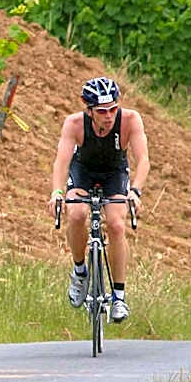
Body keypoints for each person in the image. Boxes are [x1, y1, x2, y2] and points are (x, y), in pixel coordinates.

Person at [48, 76, 150, 322]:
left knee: (116, 224)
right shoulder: (74, 124)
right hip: (82, 172)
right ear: (89, 110)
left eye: (113, 108)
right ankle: (80, 270)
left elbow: (143, 159)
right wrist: (57, 193)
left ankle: (118, 296)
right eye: (102, 111)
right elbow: (62, 162)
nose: (109, 115)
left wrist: (135, 191)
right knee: (77, 214)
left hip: (114, 172)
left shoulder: (130, 120)